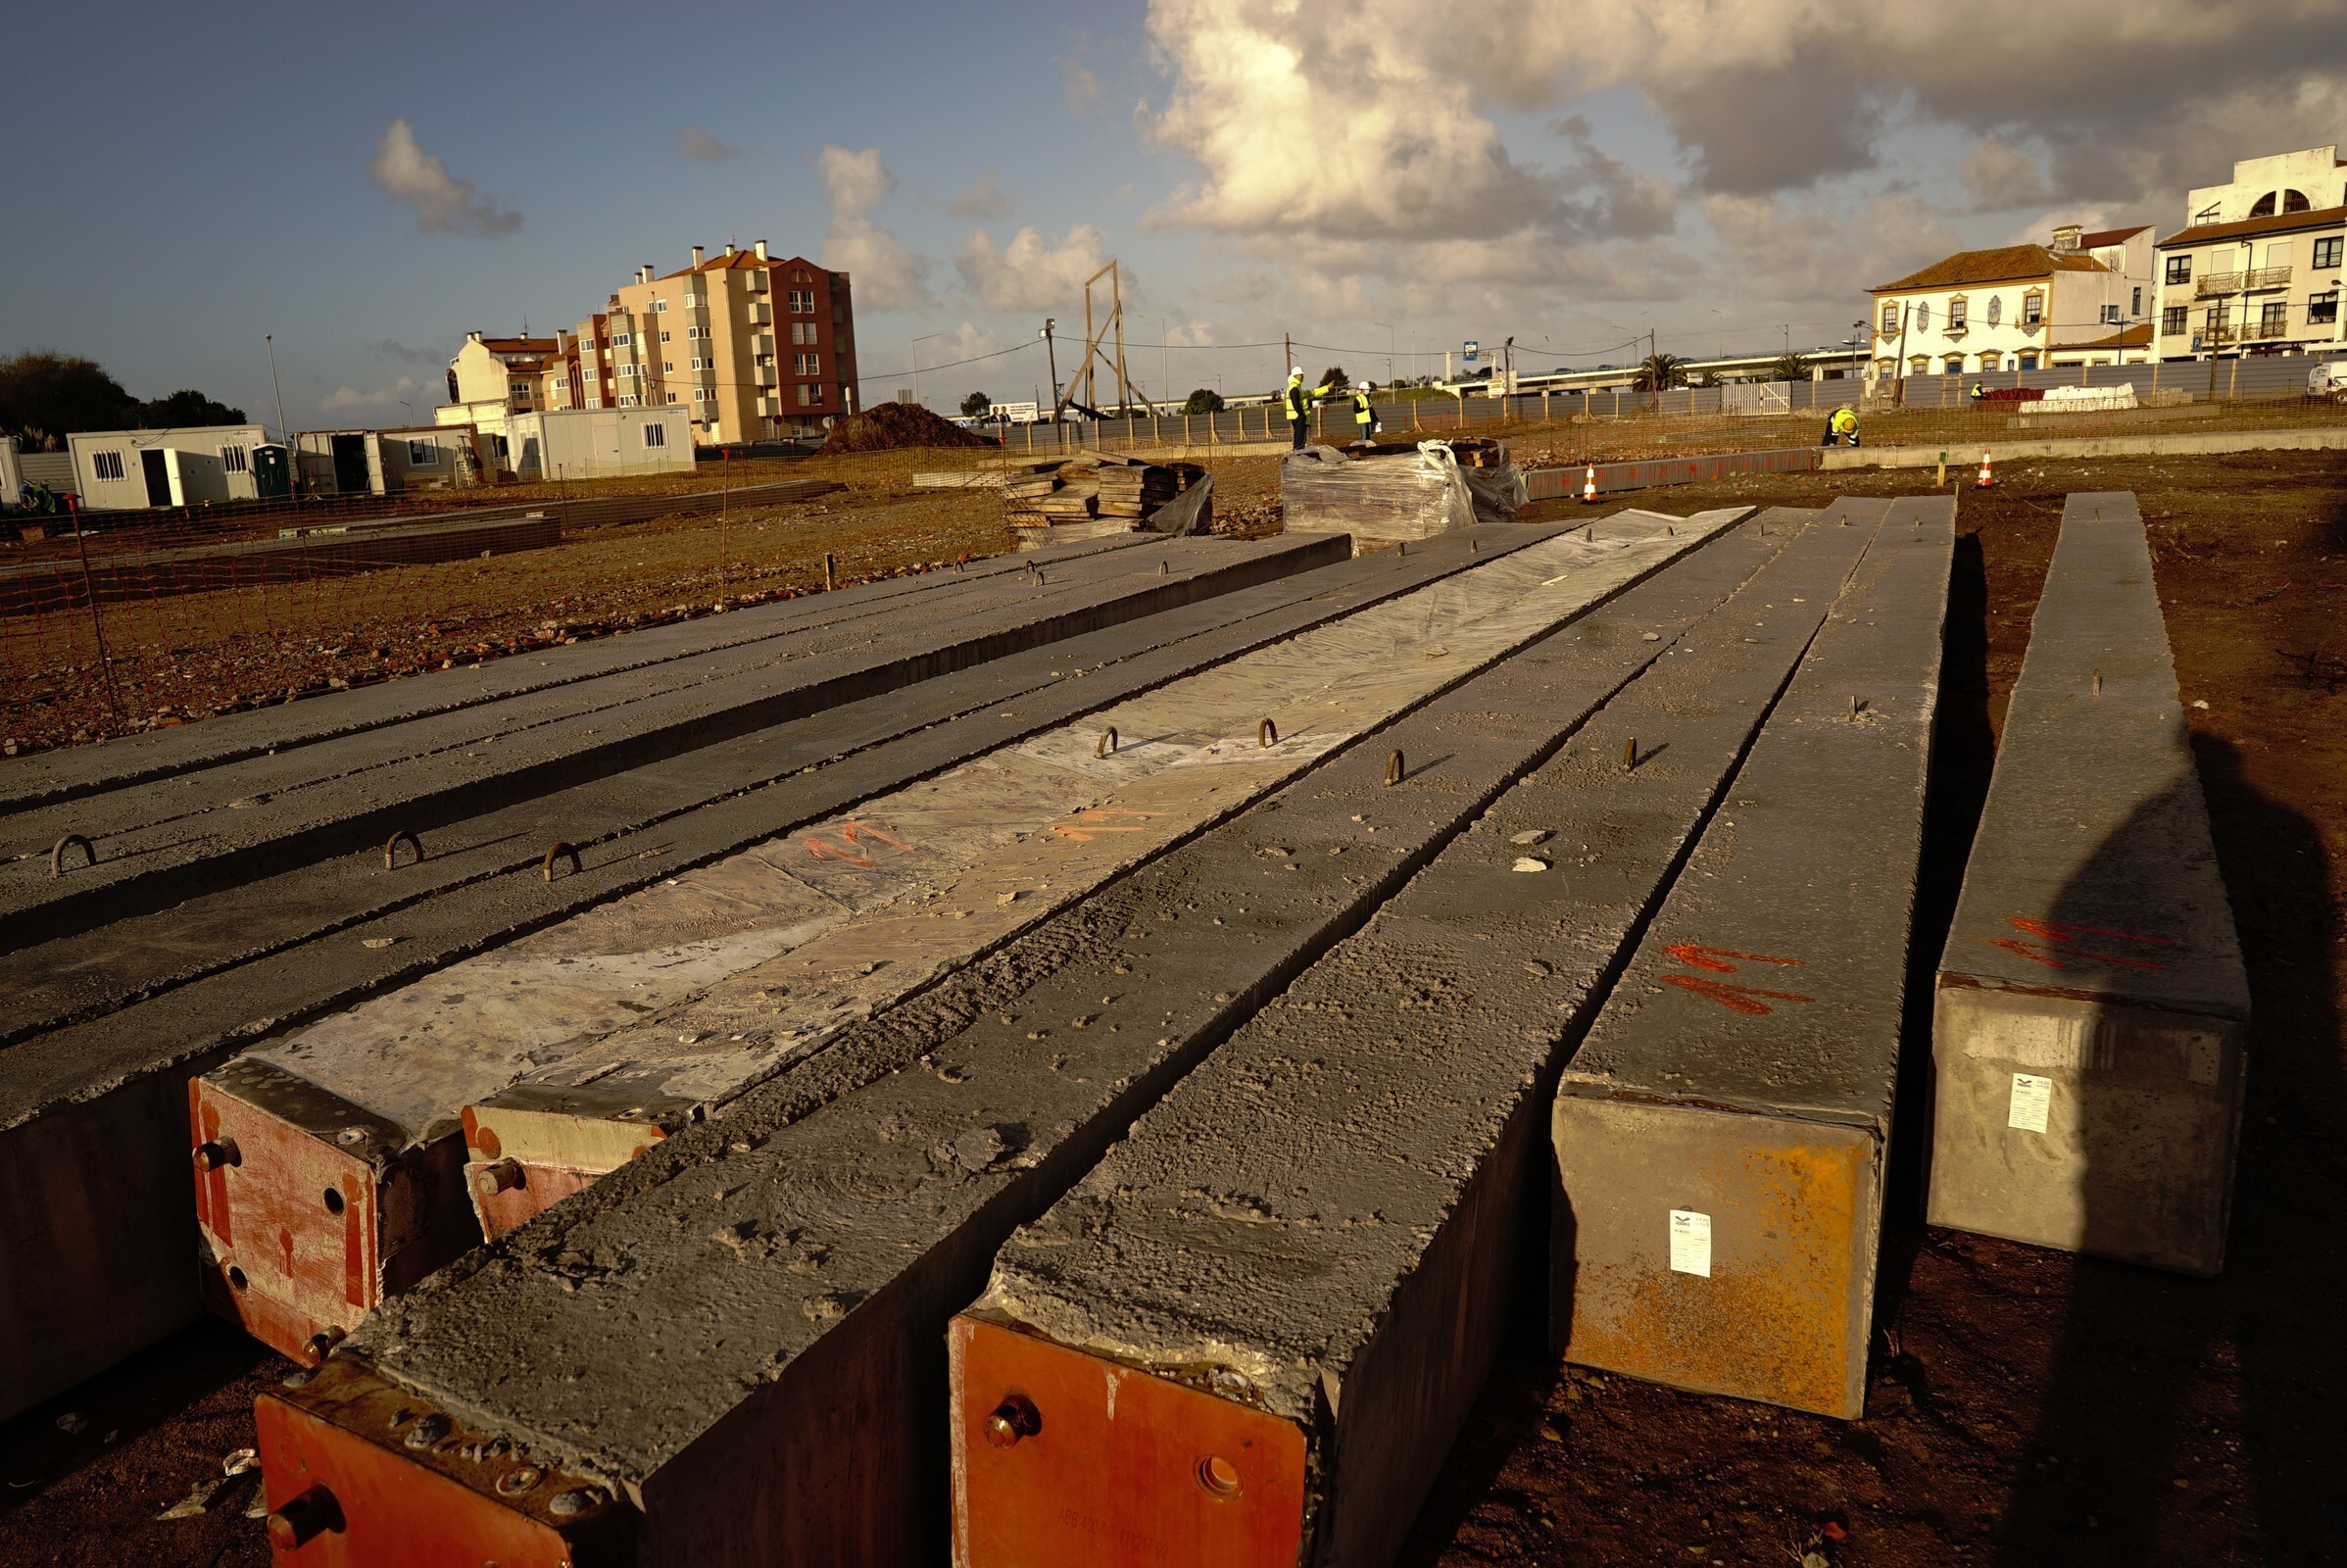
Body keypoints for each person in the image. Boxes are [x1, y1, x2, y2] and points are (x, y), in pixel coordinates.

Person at [1282, 367, 1331, 450]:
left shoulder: (1296, 388)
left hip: (1295, 416)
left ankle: (1298, 455)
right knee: (1300, 439)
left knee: (1299, 438)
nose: (1303, 377)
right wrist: (1301, 414)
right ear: (1296, 376)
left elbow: (1312, 393)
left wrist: (1326, 388)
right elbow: (1295, 402)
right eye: (1301, 375)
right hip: (1298, 416)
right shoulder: (1294, 388)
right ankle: (1298, 456)